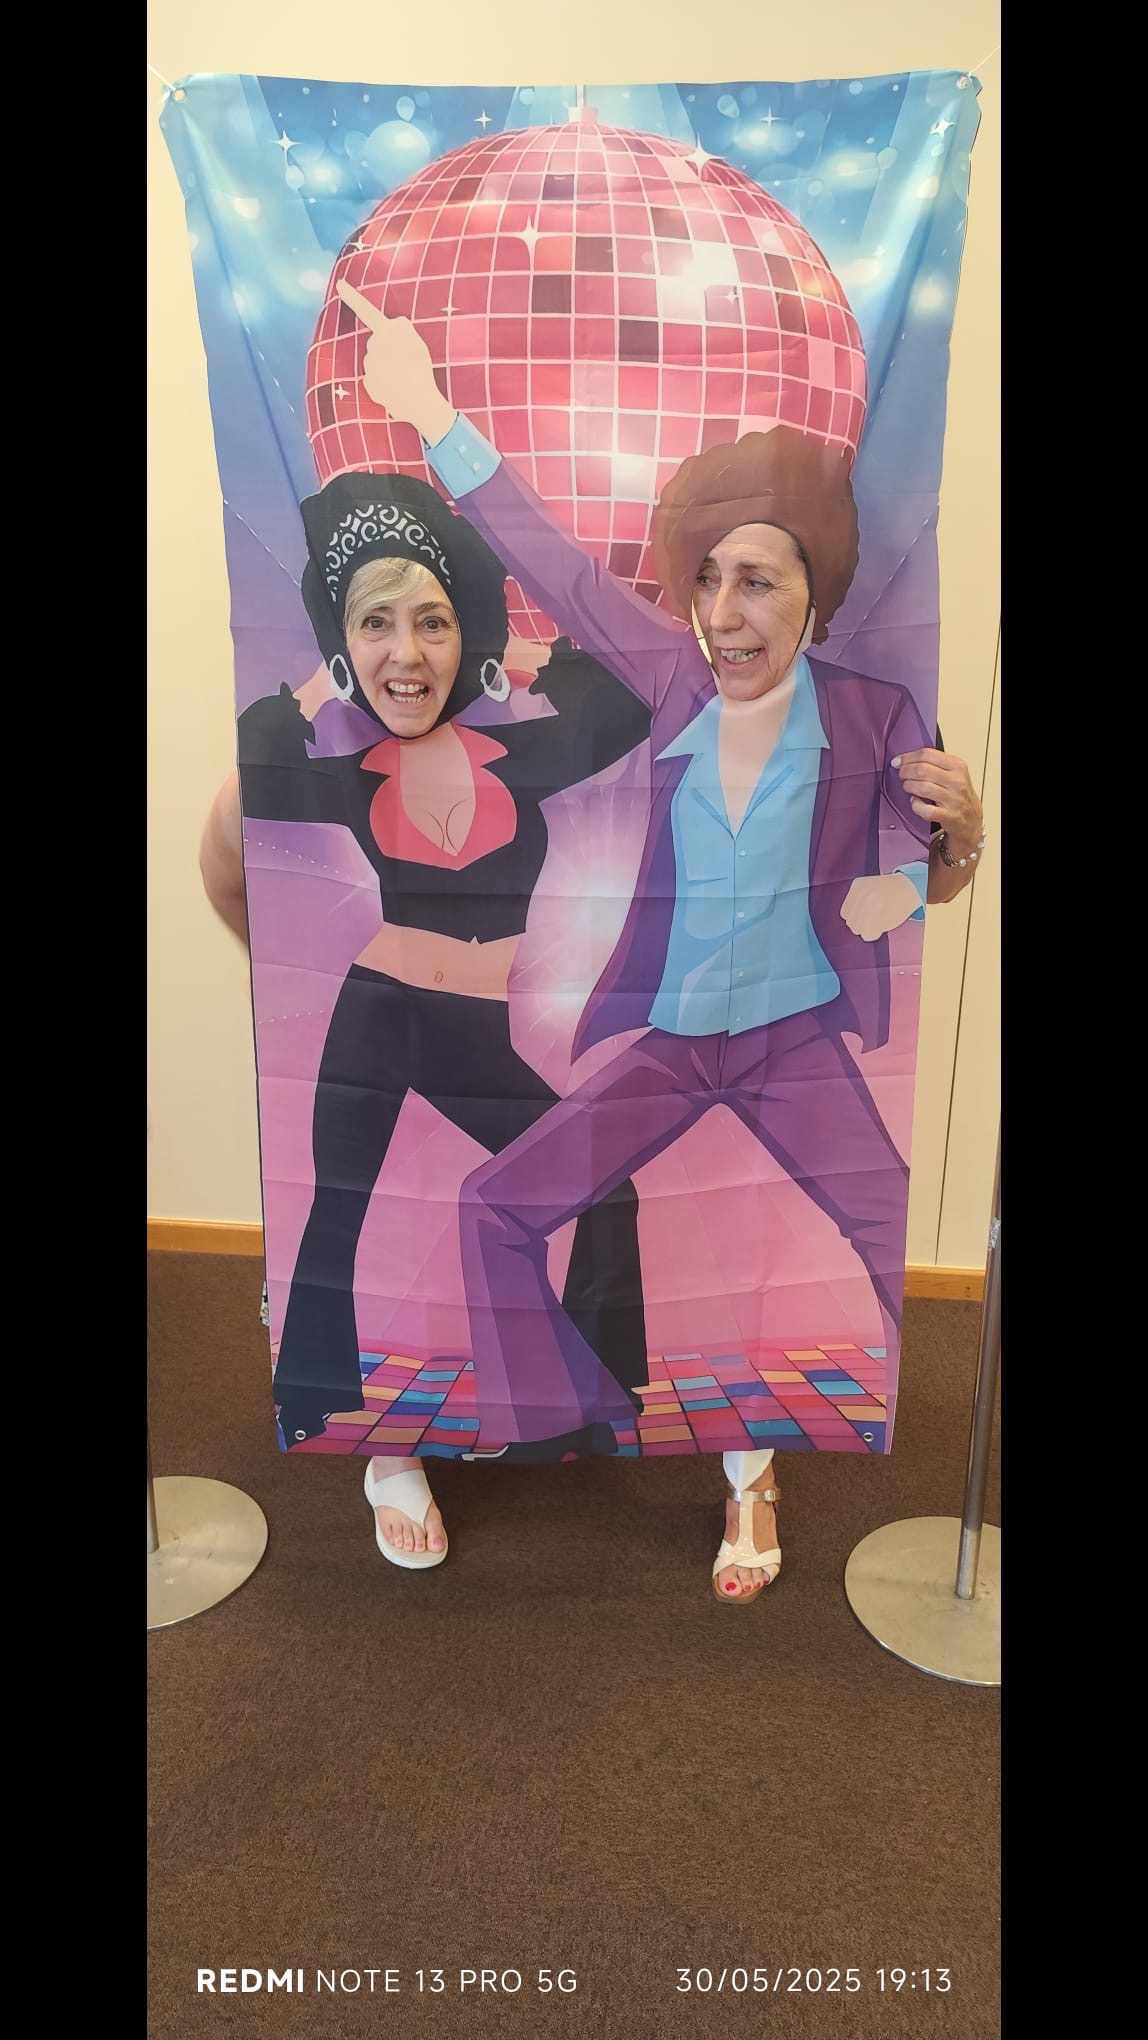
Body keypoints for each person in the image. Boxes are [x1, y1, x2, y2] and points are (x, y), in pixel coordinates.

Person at [333, 286, 987, 1604]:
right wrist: (432, 410)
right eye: (709, 581)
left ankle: (756, 1470)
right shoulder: (675, 677)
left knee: (871, 1236)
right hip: (678, 1044)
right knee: (492, 1207)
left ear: (814, 595)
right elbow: (555, 561)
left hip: (795, 1042)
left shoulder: (876, 711)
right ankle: (573, 1411)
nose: (726, 611)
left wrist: (948, 855)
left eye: (760, 581)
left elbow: (924, 876)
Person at [201, 469, 651, 1570]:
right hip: (376, 1015)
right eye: (376, 624)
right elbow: (248, 791)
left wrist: (516, 650)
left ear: (465, 635)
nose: (407, 652)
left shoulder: (528, 756)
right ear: (346, 640)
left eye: (434, 622)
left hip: (471, 1036)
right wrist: (328, 672)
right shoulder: (348, 771)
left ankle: (589, 1396)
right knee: (339, 1218)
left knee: (603, 1181)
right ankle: (346, 1426)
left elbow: (627, 698)